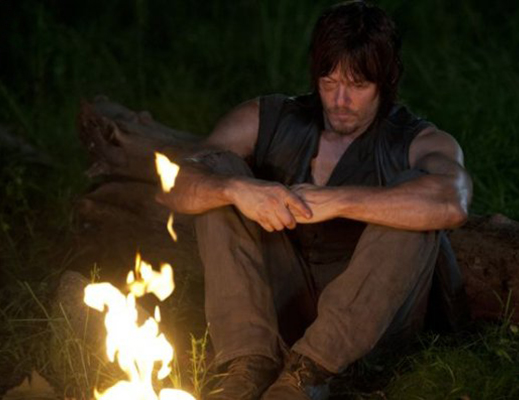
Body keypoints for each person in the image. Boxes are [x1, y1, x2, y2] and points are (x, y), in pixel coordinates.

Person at [156, 1, 472, 399]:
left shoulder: (417, 140)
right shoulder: (269, 117)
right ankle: (248, 366)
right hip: (285, 306)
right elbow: (171, 182)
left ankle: (308, 375)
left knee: (417, 205)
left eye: (358, 85)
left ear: (386, 81)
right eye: (329, 81)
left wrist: (339, 201)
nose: (340, 100)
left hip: (371, 325)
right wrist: (236, 190)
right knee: (218, 172)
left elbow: (453, 201)